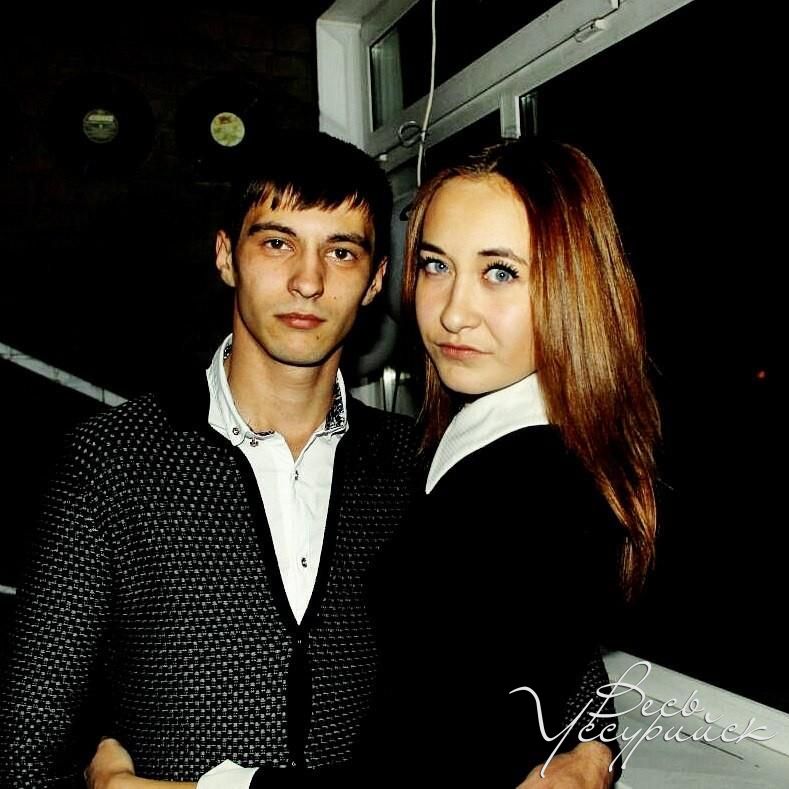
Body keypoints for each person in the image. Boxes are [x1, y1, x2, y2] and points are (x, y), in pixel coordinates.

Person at [1, 131, 616, 789]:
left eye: (341, 252)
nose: (307, 280)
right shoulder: (112, 462)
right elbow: (31, 741)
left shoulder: (422, 466)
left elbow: (563, 669)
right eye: (277, 243)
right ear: (226, 256)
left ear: (376, 280)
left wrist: (590, 757)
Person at [348, 138, 660, 787]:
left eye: (500, 272)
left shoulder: (535, 492)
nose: (452, 312)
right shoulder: (468, 442)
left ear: (572, 285)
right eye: (435, 265)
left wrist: (217, 785)